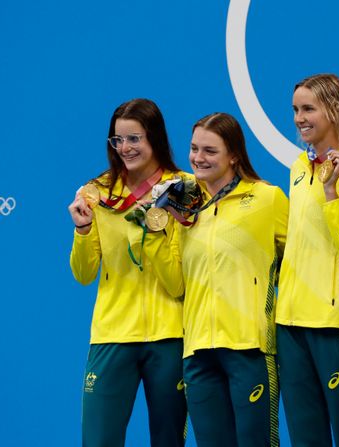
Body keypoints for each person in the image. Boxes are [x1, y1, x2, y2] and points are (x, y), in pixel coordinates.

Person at [143, 112, 287, 447]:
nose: (197, 158)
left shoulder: (267, 199)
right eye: (194, 149)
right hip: (198, 353)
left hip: (250, 347)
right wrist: (153, 232)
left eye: (210, 150)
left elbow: (300, 260)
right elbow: (177, 284)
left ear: (234, 155)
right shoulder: (188, 210)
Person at [68, 98, 187, 447]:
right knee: (99, 439)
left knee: (169, 441)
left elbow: (181, 276)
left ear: (155, 138)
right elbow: (84, 273)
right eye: (117, 140)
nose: (125, 148)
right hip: (113, 333)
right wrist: (84, 230)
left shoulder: (184, 189)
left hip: (170, 334)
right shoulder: (95, 193)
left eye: (134, 139)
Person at [276, 74, 339, 446]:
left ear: (335, 111)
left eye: (308, 109)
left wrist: (331, 192)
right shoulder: (300, 167)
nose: (299, 118)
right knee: (305, 439)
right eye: (296, 110)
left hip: (336, 326)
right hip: (289, 323)